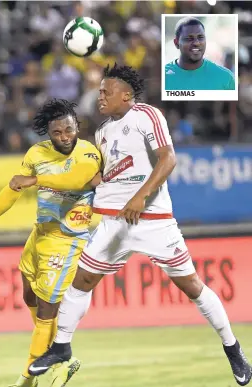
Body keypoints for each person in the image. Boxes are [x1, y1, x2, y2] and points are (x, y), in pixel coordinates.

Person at [19, 63, 252, 386]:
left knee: (192, 286)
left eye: (106, 91)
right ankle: (60, 347)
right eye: (99, 91)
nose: (100, 96)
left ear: (126, 95)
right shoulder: (102, 131)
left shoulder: (146, 115)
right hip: (114, 223)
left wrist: (141, 196)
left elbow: (168, 158)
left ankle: (233, 349)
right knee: (81, 282)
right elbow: (104, 177)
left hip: (152, 220)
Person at [0, 99, 101, 387]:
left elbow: (77, 180)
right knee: (29, 295)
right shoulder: (36, 153)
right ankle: (62, 359)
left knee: (47, 309)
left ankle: (29, 376)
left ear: (77, 125)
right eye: (57, 133)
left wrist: (35, 180)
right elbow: (12, 189)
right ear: (48, 134)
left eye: (69, 130)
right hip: (40, 234)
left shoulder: (88, 152)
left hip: (68, 240)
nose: (65, 137)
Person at [165, 17, 235, 91]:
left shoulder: (225, 77)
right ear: (176, 43)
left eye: (200, 37)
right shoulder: (163, 76)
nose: (196, 43)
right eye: (189, 38)